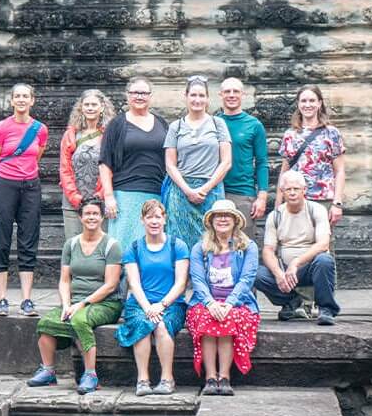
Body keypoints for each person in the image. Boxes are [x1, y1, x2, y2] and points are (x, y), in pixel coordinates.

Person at [27, 198, 123, 395]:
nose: (91, 217)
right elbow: (64, 280)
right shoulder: (71, 245)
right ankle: (48, 370)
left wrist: (81, 304)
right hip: (74, 301)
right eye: (87, 214)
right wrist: (65, 304)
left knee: (79, 320)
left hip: (105, 303)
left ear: (102, 216)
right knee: (46, 322)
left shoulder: (111, 245)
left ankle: (90, 375)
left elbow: (111, 285)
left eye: (95, 214)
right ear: (80, 217)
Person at [114, 199, 189, 396]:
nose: (154, 221)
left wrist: (161, 305)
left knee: (162, 325)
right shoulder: (134, 248)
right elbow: (134, 283)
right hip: (140, 303)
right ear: (142, 220)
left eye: (158, 217)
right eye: (149, 217)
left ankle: (167, 378)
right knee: (143, 324)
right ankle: (143, 379)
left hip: (171, 303)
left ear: (165, 219)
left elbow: (181, 283)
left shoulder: (177, 246)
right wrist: (148, 307)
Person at [186, 199, 260, 396]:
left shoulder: (248, 247)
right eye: (218, 215)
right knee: (206, 317)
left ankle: (224, 377)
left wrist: (228, 303)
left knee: (227, 318)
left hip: (238, 303)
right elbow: (198, 280)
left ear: (235, 220)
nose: (223, 219)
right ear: (211, 221)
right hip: (205, 301)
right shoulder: (199, 248)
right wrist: (210, 303)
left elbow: (247, 279)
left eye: (227, 215)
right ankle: (210, 377)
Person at [0, 82, 49, 317]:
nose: (22, 100)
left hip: (31, 185)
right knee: (1, 238)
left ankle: (26, 299)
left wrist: (24, 173)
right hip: (5, 184)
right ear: (12, 101)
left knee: (28, 238)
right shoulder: (2, 127)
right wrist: (0, 182)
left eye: (26, 96)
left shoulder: (40, 129)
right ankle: (2, 298)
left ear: (32, 101)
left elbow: (37, 154)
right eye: (18, 96)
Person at [255, 170, 340, 326]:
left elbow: (323, 244)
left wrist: (296, 263)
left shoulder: (316, 210)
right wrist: (278, 273)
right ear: (282, 192)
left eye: (296, 189)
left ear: (304, 190)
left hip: (309, 267)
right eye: (288, 189)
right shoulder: (275, 216)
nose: (292, 193)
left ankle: (326, 309)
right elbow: (268, 250)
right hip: (286, 271)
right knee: (255, 273)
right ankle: (292, 301)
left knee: (325, 260)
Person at [99, 76, 169, 252]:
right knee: (124, 246)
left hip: (156, 194)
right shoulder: (117, 124)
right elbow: (104, 162)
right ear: (127, 95)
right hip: (125, 194)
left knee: (152, 246)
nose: (139, 96)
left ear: (150, 96)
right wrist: (109, 197)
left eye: (144, 93)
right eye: (135, 92)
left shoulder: (161, 123)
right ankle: (122, 280)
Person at [163, 76, 232, 248]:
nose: (197, 100)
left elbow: (226, 162)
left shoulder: (218, 124)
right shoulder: (176, 126)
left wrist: (205, 189)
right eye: (193, 95)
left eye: (202, 96)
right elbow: (170, 164)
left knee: (213, 240)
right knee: (180, 242)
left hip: (211, 190)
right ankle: (182, 276)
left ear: (208, 99)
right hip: (180, 192)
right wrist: (188, 191)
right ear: (185, 97)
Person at [278, 84, 346, 226]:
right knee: (295, 244)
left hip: (323, 199)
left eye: (312, 101)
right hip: (294, 199)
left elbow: (339, 171)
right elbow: (284, 172)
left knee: (323, 244)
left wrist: (337, 203)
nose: (307, 105)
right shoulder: (290, 135)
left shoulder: (331, 133)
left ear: (319, 103)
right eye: (303, 101)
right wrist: (278, 203)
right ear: (298, 104)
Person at [217, 77, 269, 242]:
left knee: (243, 245)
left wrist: (262, 197)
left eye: (236, 91)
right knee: (217, 247)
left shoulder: (254, 125)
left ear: (242, 95)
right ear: (220, 95)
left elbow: (262, 163)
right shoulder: (214, 123)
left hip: (243, 194)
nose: (231, 95)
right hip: (216, 192)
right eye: (227, 91)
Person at [59, 89, 115, 238]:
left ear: (102, 107)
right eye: (87, 104)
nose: (90, 108)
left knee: (101, 245)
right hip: (73, 201)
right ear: (81, 108)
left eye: (94, 105)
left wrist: (100, 195)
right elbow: (64, 169)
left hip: (101, 200)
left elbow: (113, 167)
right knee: (73, 243)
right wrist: (74, 197)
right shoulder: (71, 134)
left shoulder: (110, 134)